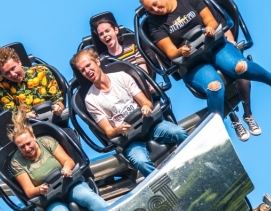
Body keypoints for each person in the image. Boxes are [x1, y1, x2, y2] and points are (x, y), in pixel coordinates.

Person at [139, 0, 271, 126]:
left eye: (154, 3)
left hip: (215, 47)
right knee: (214, 86)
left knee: (240, 67)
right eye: (149, 9)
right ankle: (214, 126)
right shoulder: (155, 25)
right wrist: (181, 50)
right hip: (193, 63)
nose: (155, 9)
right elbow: (171, 52)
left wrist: (209, 27)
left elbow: (211, 20)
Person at [71, 48, 186, 177]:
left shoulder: (121, 76)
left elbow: (146, 102)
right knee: (141, 161)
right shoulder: (91, 99)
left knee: (179, 132)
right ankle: (163, 182)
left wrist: (146, 107)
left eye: (88, 65)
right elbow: (109, 131)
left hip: (149, 125)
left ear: (97, 62)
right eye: (83, 70)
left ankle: (192, 160)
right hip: (130, 139)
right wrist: (118, 130)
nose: (87, 71)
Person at [8, 113, 109, 211]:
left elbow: (68, 161)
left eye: (28, 143)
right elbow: (29, 191)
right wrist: (40, 189)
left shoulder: (46, 142)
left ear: (34, 137)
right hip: (49, 200)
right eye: (22, 147)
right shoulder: (16, 162)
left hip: (69, 185)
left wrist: (66, 168)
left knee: (89, 197)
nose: (27, 149)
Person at [0, 46, 65, 119]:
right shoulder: (1, 84)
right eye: (7, 73)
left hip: (53, 118)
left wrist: (58, 107)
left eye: (13, 68)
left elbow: (58, 100)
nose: (13, 74)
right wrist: (24, 116)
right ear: (2, 74)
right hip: (28, 126)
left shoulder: (42, 72)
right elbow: (11, 114)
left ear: (19, 62)